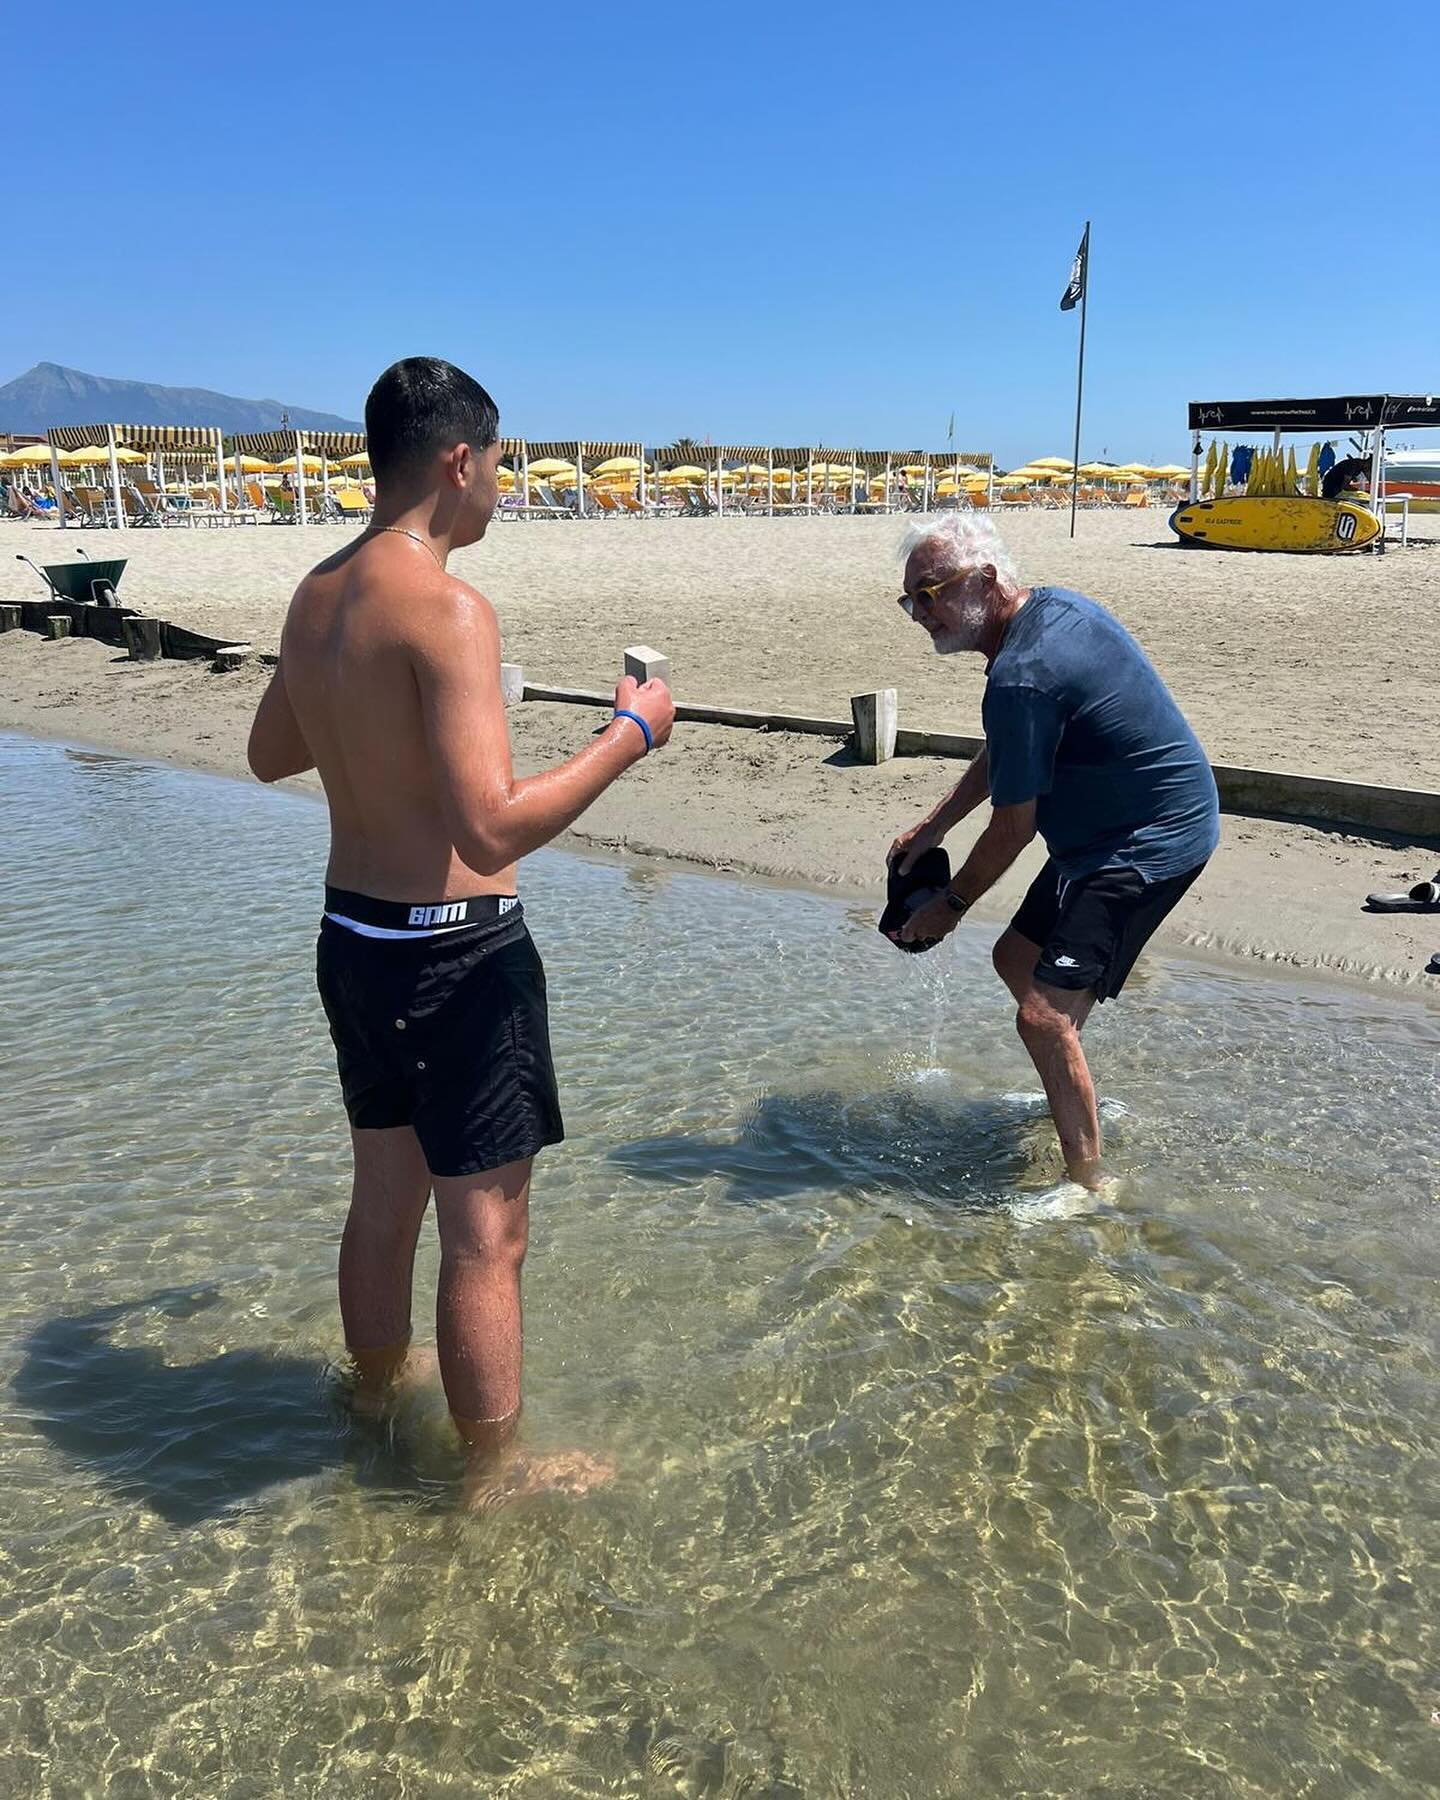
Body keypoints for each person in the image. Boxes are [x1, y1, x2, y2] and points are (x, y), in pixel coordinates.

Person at [246, 357, 674, 1496]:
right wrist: (629, 733)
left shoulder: (318, 590)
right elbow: (491, 830)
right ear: (456, 460)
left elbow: (269, 752)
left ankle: (375, 1396)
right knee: (486, 1236)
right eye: (500, 462)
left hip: (355, 940)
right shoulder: (447, 605)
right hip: (455, 950)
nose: (503, 484)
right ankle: (493, 1474)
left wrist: (368, 722)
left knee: (384, 1202)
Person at [888, 514, 1219, 1192]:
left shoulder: (1021, 675)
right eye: (909, 598)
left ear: (984, 581)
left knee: (1041, 1015)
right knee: (1016, 959)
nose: (920, 614)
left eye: (931, 593)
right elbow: (1012, 749)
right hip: (1101, 837)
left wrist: (949, 907)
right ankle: (1075, 1094)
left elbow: (1013, 829)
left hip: (1149, 841)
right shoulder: (1049, 611)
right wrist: (934, 828)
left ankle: (1090, 1186)